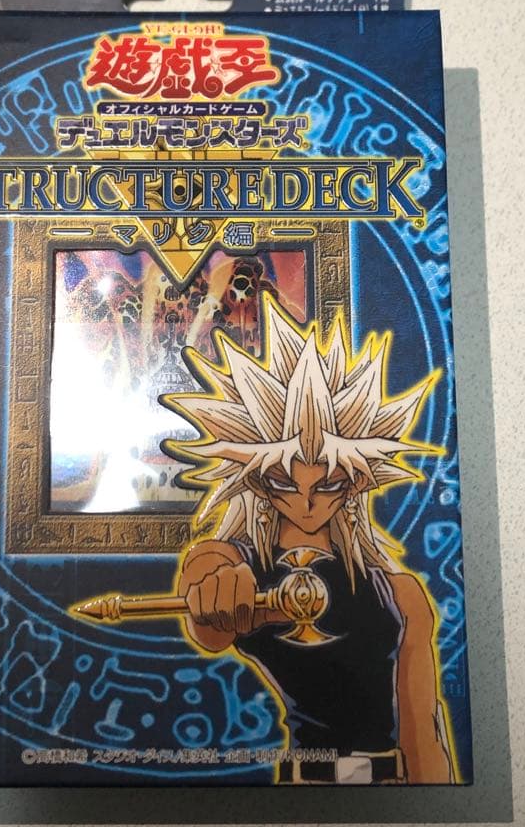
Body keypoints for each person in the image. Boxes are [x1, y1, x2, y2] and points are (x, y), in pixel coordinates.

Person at [163, 293, 454, 785]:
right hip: (303, 793)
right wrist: (214, 590)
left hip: (389, 792)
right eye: (283, 481)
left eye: (329, 483)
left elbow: (423, 739)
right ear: (257, 481)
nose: (306, 501)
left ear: (356, 481)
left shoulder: (400, 596)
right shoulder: (242, 563)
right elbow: (208, 600)